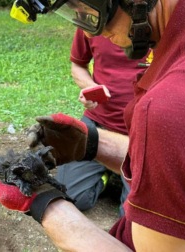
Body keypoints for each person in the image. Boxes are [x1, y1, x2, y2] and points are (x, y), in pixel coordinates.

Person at [0, 0, 185, 251]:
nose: (90, 37)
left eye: (86, 8)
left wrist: (45, 202)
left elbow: (182, 133)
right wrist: (93, 143)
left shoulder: (176, 110)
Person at [57, 27, 151, 214]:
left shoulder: (161, 19)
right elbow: (78, 65)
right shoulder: (92, 17)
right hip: (98, 124)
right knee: (71, 197)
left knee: (133, 216)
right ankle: (108, 173)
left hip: (145, 133)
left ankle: (118, 171)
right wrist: (90, 87)